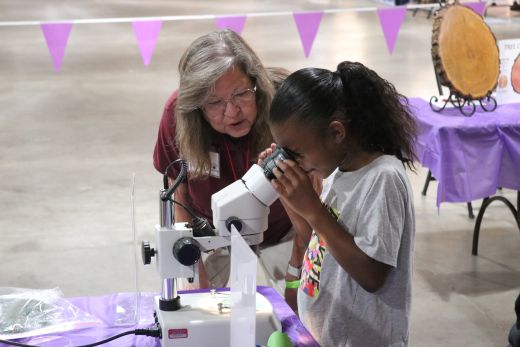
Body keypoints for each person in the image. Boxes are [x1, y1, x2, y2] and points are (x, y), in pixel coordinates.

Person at [262, 61, 417, 346]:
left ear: (336, 133)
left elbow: (372, 275)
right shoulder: (338, 172)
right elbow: (317, 242)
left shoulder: (384, 178)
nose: (294, 161)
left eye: (295, 152)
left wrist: (312, 208)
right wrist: (288, 195)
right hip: (328, 334)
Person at [152, 29, 299, 292]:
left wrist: (301, 256)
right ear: (196, 104)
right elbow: (179, 197)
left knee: (303, 311)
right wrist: (192, 271)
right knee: (195, 305)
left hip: (284, 227)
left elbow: (319, 184)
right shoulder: (177, 114)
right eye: (214, 102)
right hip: (212, 231)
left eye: (241, 93)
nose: (232, 111)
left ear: (256, 82)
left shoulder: (286, 101)